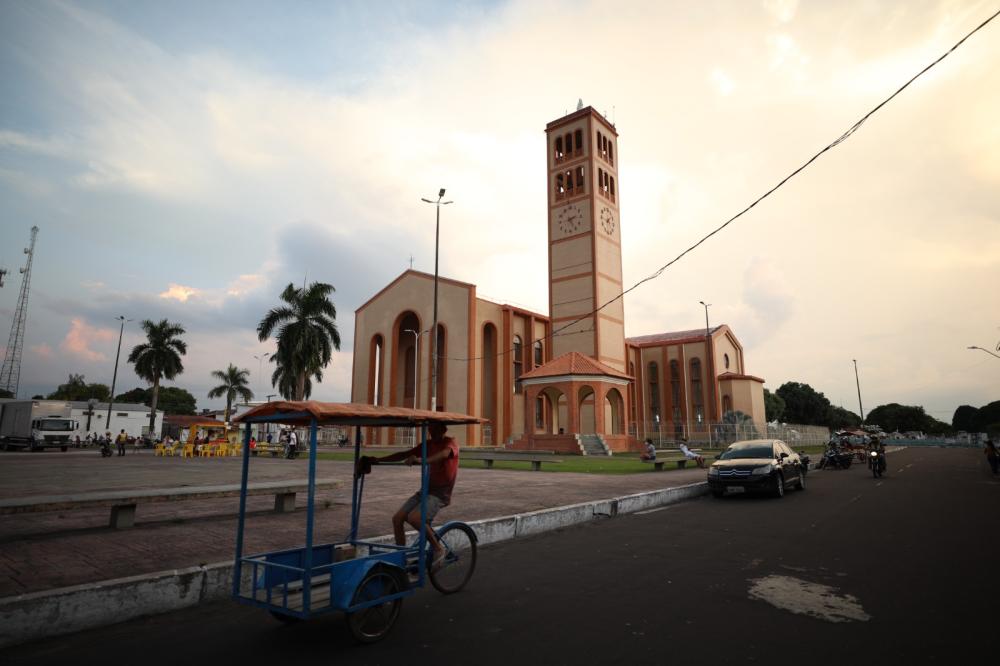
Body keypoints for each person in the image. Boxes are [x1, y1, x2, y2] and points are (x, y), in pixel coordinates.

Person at [360, 422, 458, 570]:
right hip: (425, 490)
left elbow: (444, 454)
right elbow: (404, 454)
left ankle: (438, 548)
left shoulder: (450, 442)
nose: (432, 433)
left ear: (443, 430)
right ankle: (401, 557)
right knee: (397, 518)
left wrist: (422, 460)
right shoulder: (427, 444)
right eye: (431, 430)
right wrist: (379, 459)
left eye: (435, 430)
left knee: (415, 518)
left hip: (440, 493)